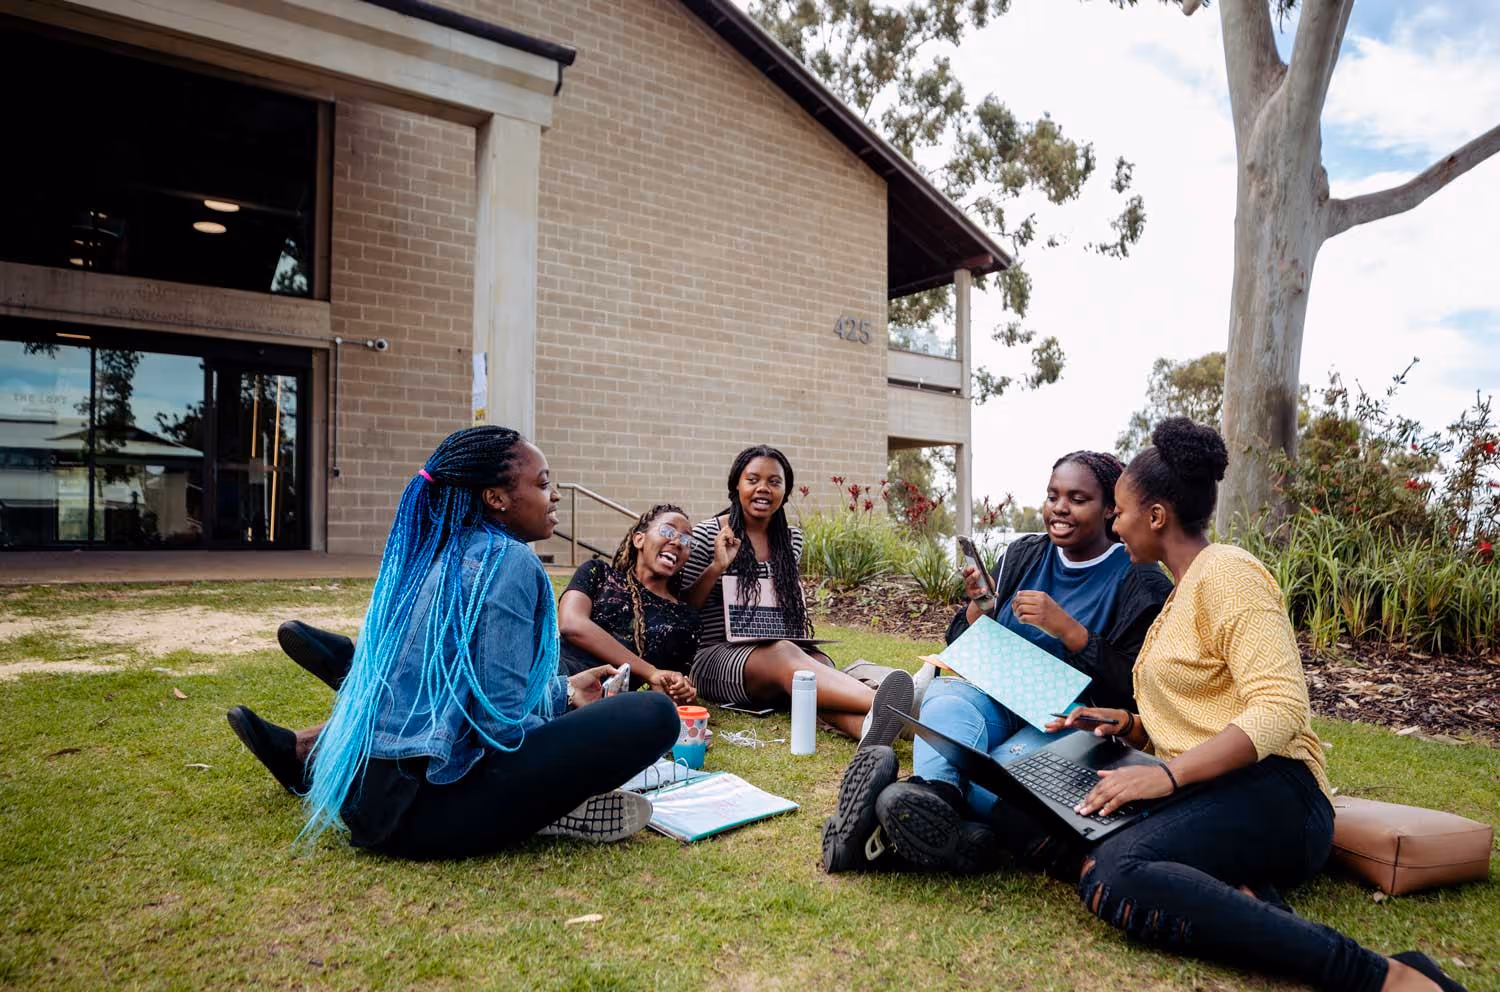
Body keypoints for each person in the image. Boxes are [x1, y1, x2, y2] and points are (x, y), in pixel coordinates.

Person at [228, 426, 681, 855]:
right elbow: (499, 727)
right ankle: (556, 811)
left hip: (368, 802)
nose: (556, 494)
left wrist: (563, 694)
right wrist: (572, 755)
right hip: (420, 816)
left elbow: (470, 692)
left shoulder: (436, 549)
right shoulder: (510, 561)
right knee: (652, 714)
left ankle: (341, 680)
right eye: (543, 484)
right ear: (496, 498)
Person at [822, 450, 1172, 873]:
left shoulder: (1138, 578)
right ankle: (933, 803)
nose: (1059, 508)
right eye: (1052, 495)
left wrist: (1070, 631)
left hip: (1063, 721)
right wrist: (980, 608)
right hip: (995, 694)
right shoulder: (1024, 553)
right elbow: (959, 639)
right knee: (945, 705)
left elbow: (1135, 689)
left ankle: (884, 829)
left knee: (992, 776)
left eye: (1078, 499)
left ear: (1110, 509)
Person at [678, 445, 914, 746]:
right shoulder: (708, 534)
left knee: (815, 664)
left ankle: (866, 728)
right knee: (786, 655)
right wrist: (717, 566)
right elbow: (684, 610)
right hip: (716, 657)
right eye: (753, 480)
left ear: (785, 491)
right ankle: (886, 705)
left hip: (775, 649)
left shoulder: (792, 540)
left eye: (774, 482)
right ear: (736, 484)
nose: (763, 488)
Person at [558, 504, 701, 705]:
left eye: (686, 540)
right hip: (557, 673)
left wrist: (679, 689)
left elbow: (664, 685)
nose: (677, 541)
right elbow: (572, 624)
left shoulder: (685, 619)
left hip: (608, 703)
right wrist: (650, 672)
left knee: (660, 712)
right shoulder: (598, 574)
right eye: (667, 531)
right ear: (639, 539)